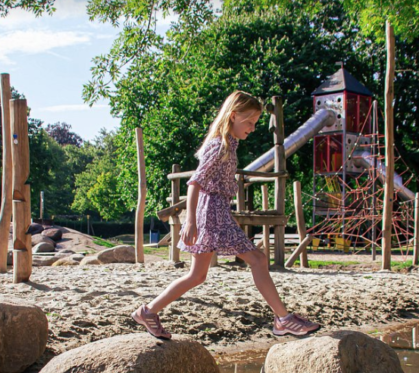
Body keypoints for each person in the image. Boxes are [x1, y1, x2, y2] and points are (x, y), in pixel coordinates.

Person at [132, 90, 320, 340]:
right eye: (250, 122)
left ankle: (147, 311)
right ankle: (283, 319)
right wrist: (191, 221)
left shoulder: (229, 144)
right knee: (258, 260)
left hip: (218, 213)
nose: (253, 128)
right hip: (211, 215)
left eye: (255, 123)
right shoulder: (219, 145)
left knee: (198, 275)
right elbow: (194, 182)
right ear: (233, 116)